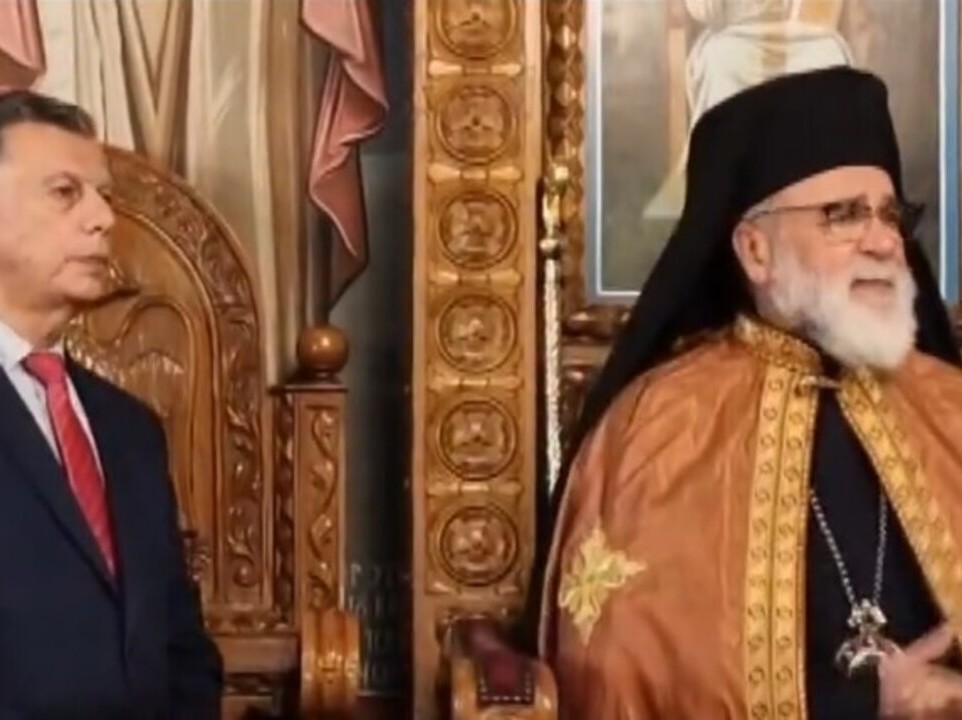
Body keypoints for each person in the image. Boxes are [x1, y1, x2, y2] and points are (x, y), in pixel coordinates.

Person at [537, 66, 962, 719]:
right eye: (844, 216)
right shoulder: (663, 429)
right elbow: (620, 671)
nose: (884, 241)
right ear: (756, 251)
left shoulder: (948, 407)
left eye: (890, 215)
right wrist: (859, 704)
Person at [0, 91, 222, 717]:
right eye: (65, 193)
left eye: (102, 196)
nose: (103, 219)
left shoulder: (131, 429)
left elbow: (180, 644)